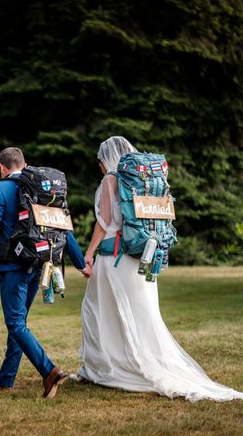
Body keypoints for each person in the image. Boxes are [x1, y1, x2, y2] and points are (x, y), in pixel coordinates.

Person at [77, 135, 243, 402]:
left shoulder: (111, 180)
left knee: (96, 311)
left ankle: (105, 367)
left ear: (105, 160)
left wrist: (88, 253)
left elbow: (103, 221)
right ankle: (128, 362)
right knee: (144, 315)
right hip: (142, 255)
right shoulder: (142, 183)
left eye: (99, 162)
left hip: (114, 258)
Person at [0, 147, 91, 399]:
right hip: (41, 263)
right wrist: (79, 263)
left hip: (13, 265)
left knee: (14, 322)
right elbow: (62, 229)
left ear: (2, 168)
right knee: (19, 322)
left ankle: (49, 371)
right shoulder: (41, 190)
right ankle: (5, 380)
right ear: (24, 164)